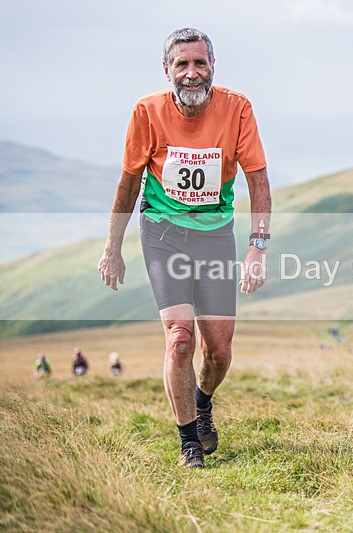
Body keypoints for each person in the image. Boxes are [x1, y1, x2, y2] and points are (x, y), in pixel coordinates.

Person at [97, 28, 272, 468]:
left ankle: (203, 399)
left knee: (219, 351)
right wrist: (112, 247)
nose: (191, 74)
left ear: (213, 66)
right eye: (182, 64)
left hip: (215, 235)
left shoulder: (238, 108)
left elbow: (258, 179)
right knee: (179, 340)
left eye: (200, 63)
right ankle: (189, 442)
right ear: (167, 70)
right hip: (163, 233)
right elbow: (130, 181)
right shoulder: (147, 111)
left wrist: (257, 248)